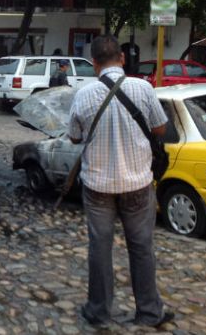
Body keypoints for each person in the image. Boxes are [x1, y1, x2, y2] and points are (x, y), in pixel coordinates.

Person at [68, 35, 174, 328]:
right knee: (142, 248)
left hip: (98, 186)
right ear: (122, 58)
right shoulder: (143, 88)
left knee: (99, 249)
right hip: (138, 184)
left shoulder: (83, 95)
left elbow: (74, 136)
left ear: (94, 63)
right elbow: (161, 128)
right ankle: (150, 312)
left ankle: (99, 312)